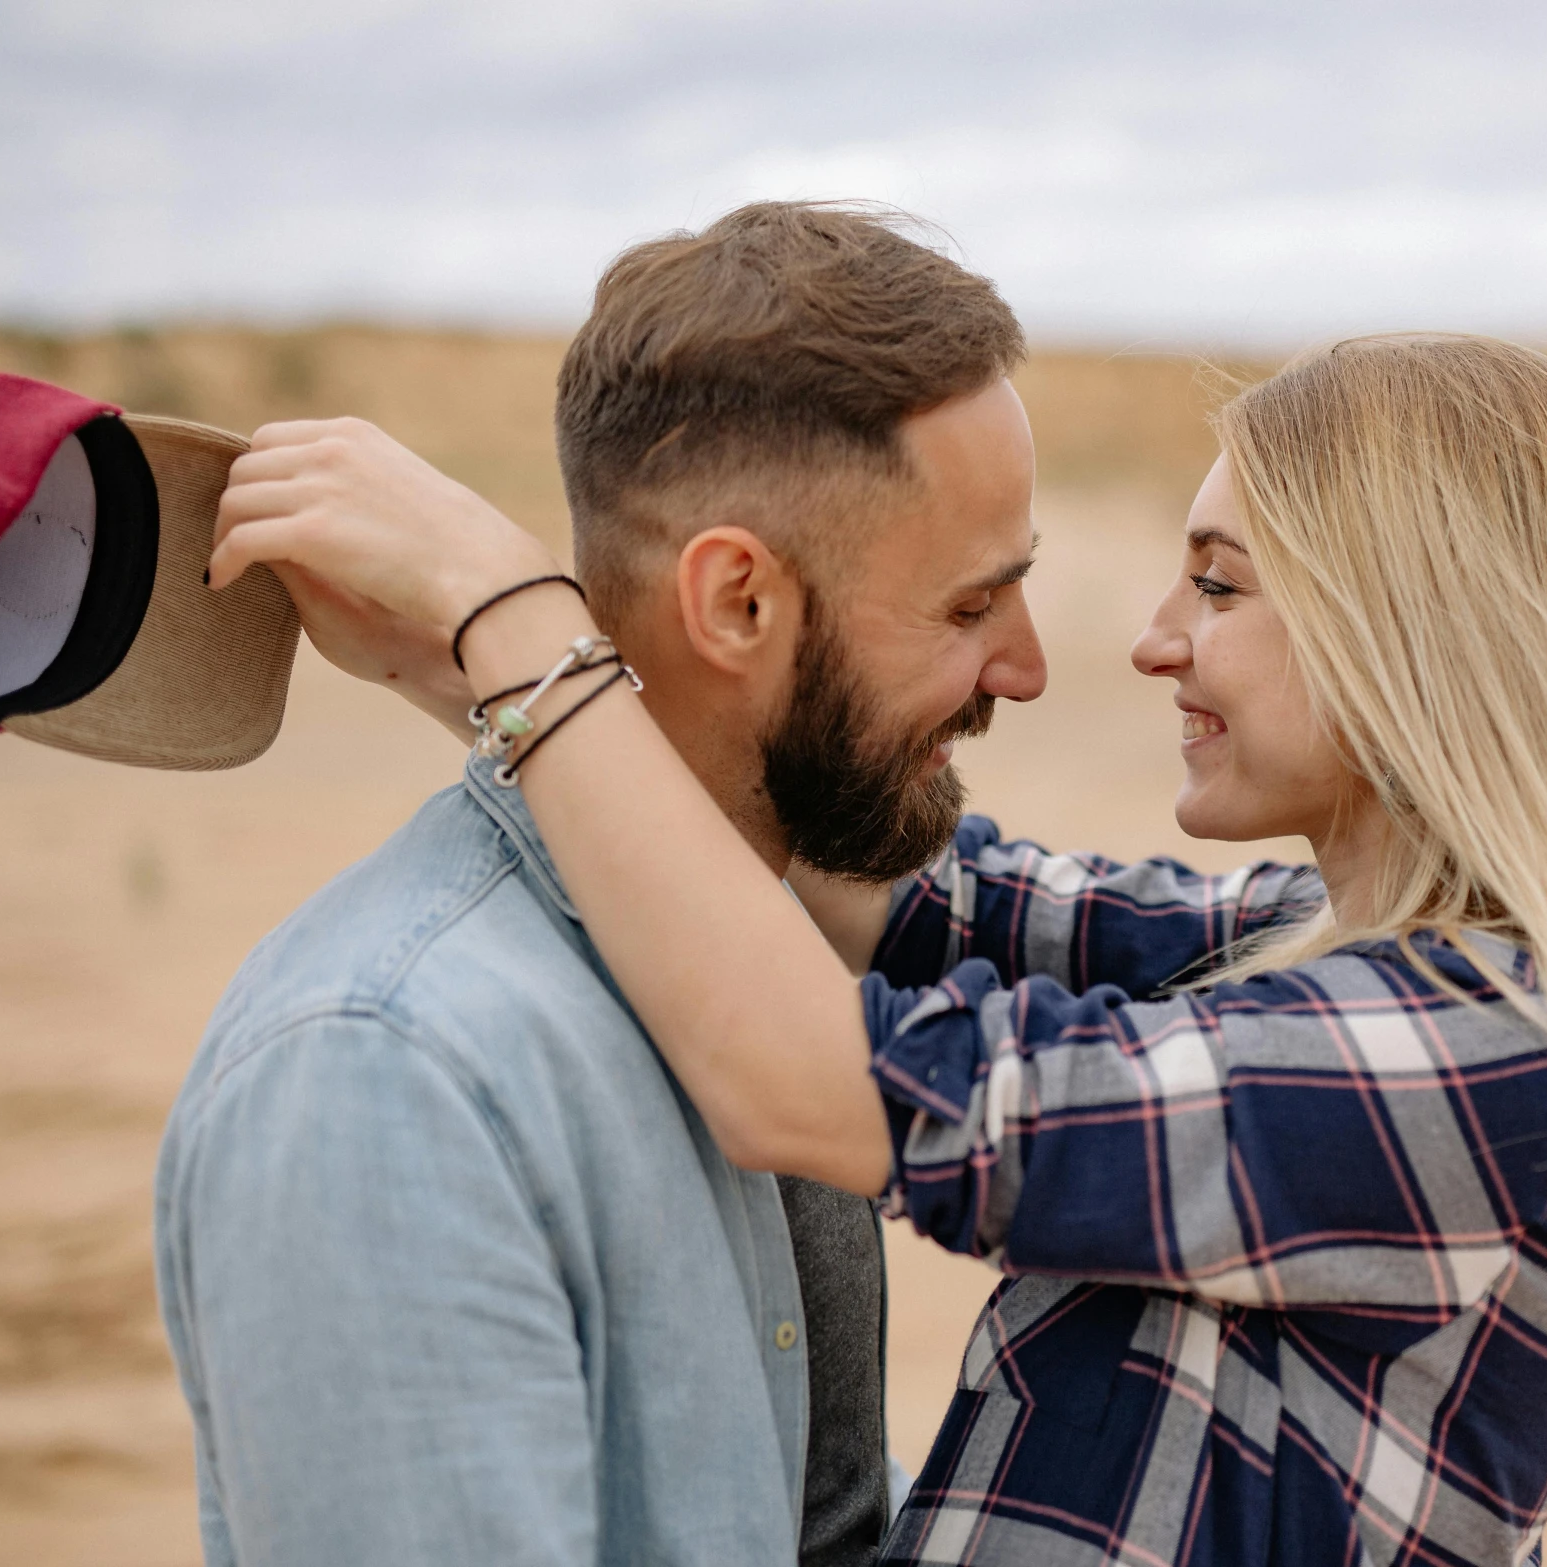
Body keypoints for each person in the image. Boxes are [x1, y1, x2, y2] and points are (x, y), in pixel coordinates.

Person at [217, 331, 1547, 1564]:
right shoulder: (1310, 948)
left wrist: (512, 614)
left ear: (1419, 633)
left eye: (1220, 582)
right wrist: (462, 668)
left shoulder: (1493, 1055)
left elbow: (818, 1079)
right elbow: (884, 883)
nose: (1152, 635)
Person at [154, 202, 1045, 1567]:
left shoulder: (768, 970)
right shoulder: (386, 1067)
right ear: (736, 603)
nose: (1026, 667)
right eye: (971, 607)